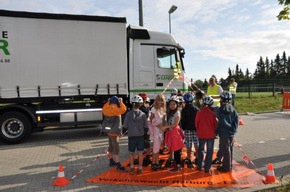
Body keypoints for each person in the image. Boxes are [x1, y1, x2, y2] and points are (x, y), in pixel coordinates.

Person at [123, 95, 148, 175]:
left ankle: (132, 167)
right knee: (140, 153)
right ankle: (140, 168)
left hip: (131, 136)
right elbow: (146, 126)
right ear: (140, 104)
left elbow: (125, 126)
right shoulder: (143, 114)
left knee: (131, 153)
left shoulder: (128, 114)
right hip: (140, 136)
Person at [159, 96, 184, 173]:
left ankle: (178, 165)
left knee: (176, 149)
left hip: (175, 132)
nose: (172, 106)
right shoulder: (169, 112)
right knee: (172, 148)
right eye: (171, 104)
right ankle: (175, 163)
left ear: (177, 105)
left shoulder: (177, 112)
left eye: (174, 104)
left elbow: (175, 124)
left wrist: (165, 126)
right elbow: (168, 122)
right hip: (170, 132)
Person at [102, 96, 127, 172]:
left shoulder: (106, 110)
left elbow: (104, 107)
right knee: (116, 149)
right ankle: (118, 164)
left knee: (110, 147)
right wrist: (121, 102)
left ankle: (111, 161)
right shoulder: (117, 110)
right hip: (115, 133)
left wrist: (107, 102)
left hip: (109, 132)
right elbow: (124, 109)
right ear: (117, 103)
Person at [216, 91, 239, 172]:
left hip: (224, 133)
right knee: (230, 149)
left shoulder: (220, 109)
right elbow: (236, 120)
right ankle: (229, 165)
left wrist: (228, 128)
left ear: (222, 99)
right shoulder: (233, 109)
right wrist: (233, 129)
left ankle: (226, 167)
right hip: (231, 133)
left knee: (226, 150)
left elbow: (222, 121)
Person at [195, 96, 218, 173]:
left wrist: (199, 129)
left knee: (201, 149)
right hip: (210, 135)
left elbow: (196, 123)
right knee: (210, 151)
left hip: (201, 134)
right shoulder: (213, 114)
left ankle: (199, 165)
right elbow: (215, 124)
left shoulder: (199, 113)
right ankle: (207, 167)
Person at [181, 92, 199, 168]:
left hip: (187, 129)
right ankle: (198, 157)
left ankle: (188, 158)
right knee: (196, 143)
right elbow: (198, 120)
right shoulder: (196, 109)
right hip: (195, 129)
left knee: (188, 144)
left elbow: (183, 121)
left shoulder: (184, 110)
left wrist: (183, 128)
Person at [148, 93, 166, 171]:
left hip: (161, 130)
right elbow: (151, 119)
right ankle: (153, 163)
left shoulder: (163, 109)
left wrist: (164, 127)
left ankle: (157, 162)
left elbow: (163, 120)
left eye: (161, 100)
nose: (160, 102)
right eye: (159, 100)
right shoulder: (153, 109)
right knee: (155, 147)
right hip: (156, 129)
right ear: (156, 100)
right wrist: (159, 126)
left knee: (158, 147)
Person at [138, 93, 152, 166]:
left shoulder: (143, 107)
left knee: (146, 140)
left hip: (144, 126)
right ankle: (147, 152)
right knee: (145, 140)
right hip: (143, 126)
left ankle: (147, 152)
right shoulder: (142, 108)